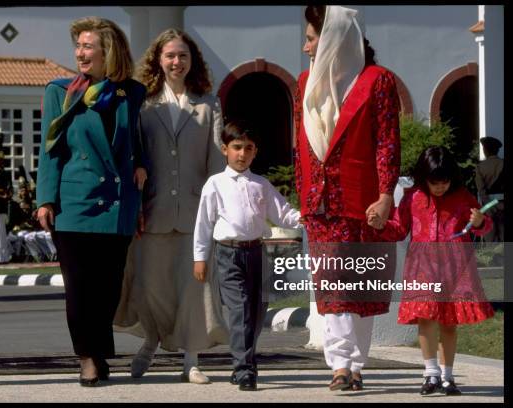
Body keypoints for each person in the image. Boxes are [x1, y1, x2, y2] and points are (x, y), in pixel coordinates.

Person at [295, 5, 401, 391]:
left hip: (363, 200)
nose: (306, 47)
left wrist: (386, 194)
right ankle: (340, 364)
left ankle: (356, 363)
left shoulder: (378, 81)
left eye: (311, 38)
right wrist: (302, 196)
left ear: (333, 39)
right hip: (320, 203)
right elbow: (300, 148)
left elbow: (387, 142)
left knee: (362, 285)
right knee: (331, 285)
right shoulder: (304, 83)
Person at [36, 16, 146, 387]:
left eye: (88, 46)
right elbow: (49, 151)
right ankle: (87, 357)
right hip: (74, 203)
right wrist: (45, 200)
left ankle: (99, 353)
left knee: (108, 288)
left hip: (117, 203)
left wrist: (143, 170)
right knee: (79, 288)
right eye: (78, 46)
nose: (80, 53)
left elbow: (137, 142)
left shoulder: (130, 92)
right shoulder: (60, 91)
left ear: (108, 52)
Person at [113, 28, 228, 384]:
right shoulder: (144, 104)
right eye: (170, 56)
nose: (176, 62)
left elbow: (216, 164)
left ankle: (191, 361)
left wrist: (217, 213)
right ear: (158, 60)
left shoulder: (208, 105)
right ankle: (151, 339)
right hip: (152, 212)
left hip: (196, 214)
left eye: (183, 56)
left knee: (194, 290)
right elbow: (131, 155)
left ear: (192, 61)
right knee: (150, 287)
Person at [368, 146, 494, 396]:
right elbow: (399, 229)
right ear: (422, 177)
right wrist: (381, 225)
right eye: (434, 182)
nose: (440, 187)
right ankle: (430, 373)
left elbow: (481, 226)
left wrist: (480, 222)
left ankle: (448, 377)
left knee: (449, 323)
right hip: (422, 268)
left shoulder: (463, 197)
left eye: (445, 182)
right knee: (425, 321)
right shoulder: (411, 198)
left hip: (456, 270)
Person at [194, 120, 301, 390]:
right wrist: (200, 257)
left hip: (257, 252)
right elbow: (204, 223)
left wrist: (310, 219)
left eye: (248, 148)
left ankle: (245, 360)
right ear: (225, 149)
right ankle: (244, 370)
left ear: (255, 152)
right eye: (237, 147)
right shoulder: (215, 184)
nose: (242, 154)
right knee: (240, 309)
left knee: (255, 312)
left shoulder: (261, 184)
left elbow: (283, 213)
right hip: (228, 254)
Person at [475, 136, 504, 242]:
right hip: (503, 205)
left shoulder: (480, 167)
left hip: (488, 208)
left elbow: (481, 191)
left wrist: (489, 207)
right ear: (497, 150)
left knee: (490, 244)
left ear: (485, 150)